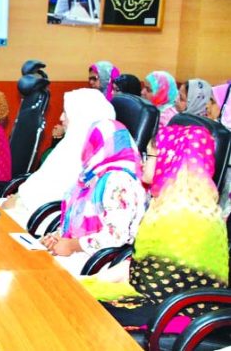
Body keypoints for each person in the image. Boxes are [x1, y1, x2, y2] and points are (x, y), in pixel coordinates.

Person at [82, 125, 229, 327]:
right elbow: (144, 268)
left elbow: (157, 286)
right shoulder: (174, 201)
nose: (142, 162)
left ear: (170, 161)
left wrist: (101, 284)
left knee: (81, 309)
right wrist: (98, 280)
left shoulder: (182, 214)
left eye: (149, 156)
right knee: (76, 291)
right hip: (163, 299)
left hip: (178, 313)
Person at [39, 119, 147, 276]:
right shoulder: (94, 173)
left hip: (100, 262)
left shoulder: (120, 180)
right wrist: (58, 236)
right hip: (81, 251)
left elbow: (115, 236)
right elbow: (76, 217)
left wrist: (72, 245)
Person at [3, 88, 115, 228]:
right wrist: (18, 196)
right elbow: (42, 179)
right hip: (29, 205)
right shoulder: (71, 142)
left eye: (66, 114)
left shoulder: (82, 155)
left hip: (41, 218)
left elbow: (53, 195)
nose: (61, 117)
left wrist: (18, 201)